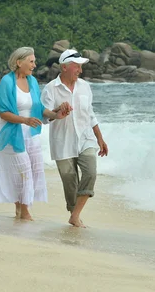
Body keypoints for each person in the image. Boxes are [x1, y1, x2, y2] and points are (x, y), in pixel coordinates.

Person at [0, 47, 69, 221]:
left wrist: (56, 114)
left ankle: (20, 210)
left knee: (32, 170)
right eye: (31, 61)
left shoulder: (32, 82)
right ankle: (25, 212)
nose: (34, 65)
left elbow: (39, 109)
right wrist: (24, 120)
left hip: (31, 133)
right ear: (19, 62)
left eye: (35, 61)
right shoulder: (7, 82)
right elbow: (3, 112)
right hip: (12, 133)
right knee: (23, 170)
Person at [41, 49, 108, 228]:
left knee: (90, 173)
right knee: (69, 181)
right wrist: (57, 113)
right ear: (64, 67)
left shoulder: (85, 86)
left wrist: (99, 138)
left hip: (85, 138)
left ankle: (75, 215)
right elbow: (44, 115)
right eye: (76, 67)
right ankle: (74, 213)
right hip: (62, 141)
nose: (80, 71)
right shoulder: (50, 89)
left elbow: (90, 114)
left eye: (80, 67)